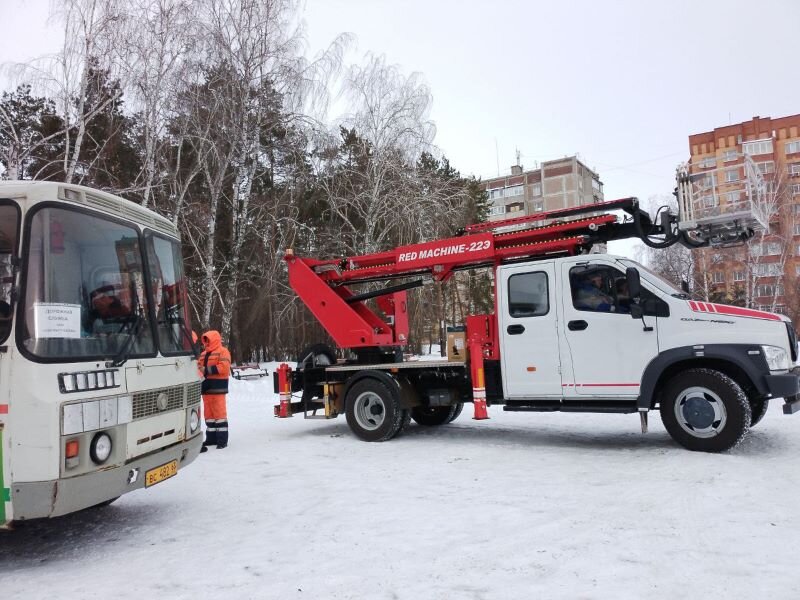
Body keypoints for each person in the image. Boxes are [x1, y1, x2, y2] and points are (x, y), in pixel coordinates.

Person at [198, 330, 231, 451]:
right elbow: (198, 367)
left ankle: (222, 440)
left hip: (218, 388)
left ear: (214, 339)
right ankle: (211, 439)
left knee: (219, 415)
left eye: (208, 339)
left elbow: (224, 367)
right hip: (206, 389)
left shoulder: (223, 351)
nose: (206, 342)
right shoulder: (203, 354)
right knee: (209, 416)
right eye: (205, 340)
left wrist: (205, 370)